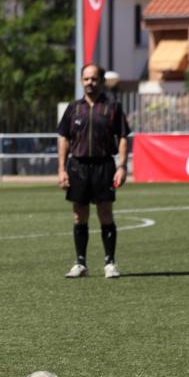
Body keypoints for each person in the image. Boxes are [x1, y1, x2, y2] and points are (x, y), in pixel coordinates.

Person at [57, 63, 130, 279]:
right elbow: (64, 138)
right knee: (79, 216)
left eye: (94, 79)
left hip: (103, 166)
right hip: (78, 166)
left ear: (102, 81)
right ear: (81, 81)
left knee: (105, 213)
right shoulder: (73, 109)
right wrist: (61, 169)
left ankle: (110, 263)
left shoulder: (113, 108)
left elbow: (123, 137)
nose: (90, 83)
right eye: (87, 79)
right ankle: (80, 263)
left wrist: (122, 166)